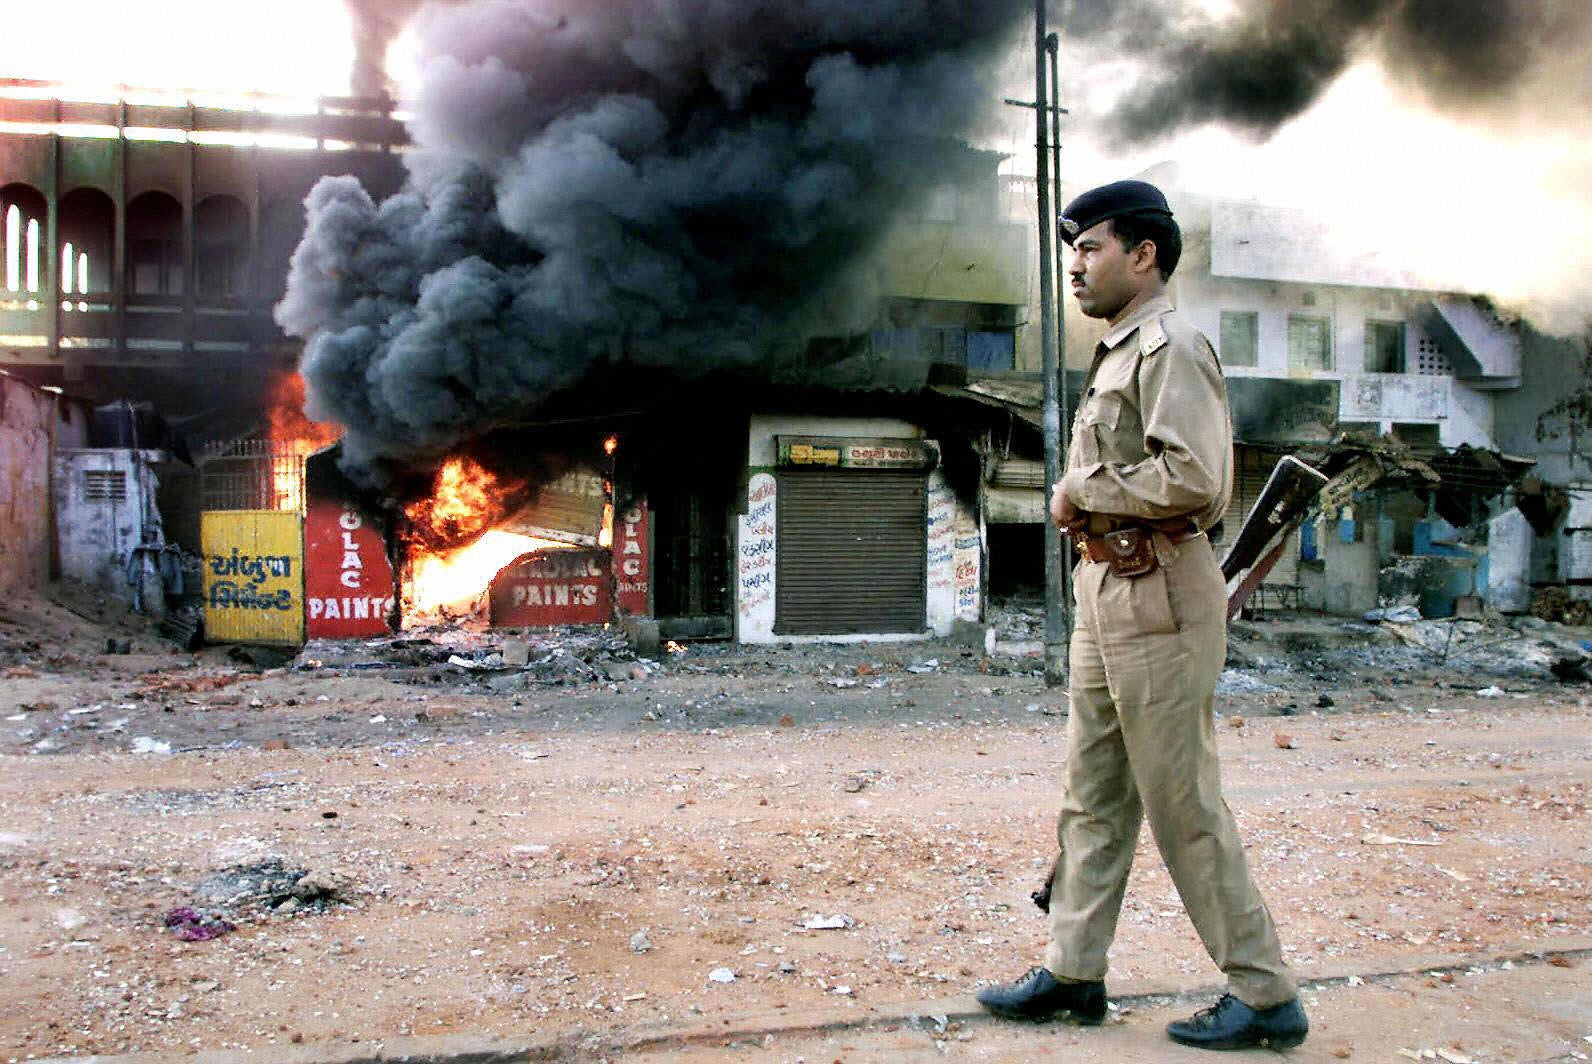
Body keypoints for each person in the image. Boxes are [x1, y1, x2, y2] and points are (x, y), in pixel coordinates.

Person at [974, 179, 1309, 1051]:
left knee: (1181, 802)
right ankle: (1075, 972)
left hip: (1159, 588)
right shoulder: (1120, 350)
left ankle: (1266, 993)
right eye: (1072, 252)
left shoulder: (1169, 346)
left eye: (1091, 249)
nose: (1075, 267)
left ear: (1144, 254)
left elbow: (1196, 476)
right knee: (1092, 796)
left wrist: (1079, 488)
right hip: (1108, 586)